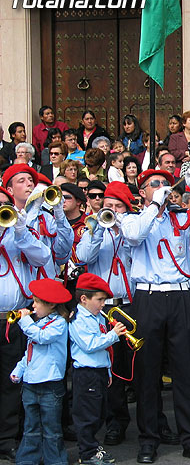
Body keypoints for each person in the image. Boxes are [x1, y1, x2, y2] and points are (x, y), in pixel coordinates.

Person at [120, 167, 190, 464]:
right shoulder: (133, 218)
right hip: (148, 298)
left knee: (185, 370)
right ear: (143, 192)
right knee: (148, 372)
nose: (162, 187)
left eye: (164, 183)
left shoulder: (180, 217)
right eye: (154, 184)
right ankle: (149, 439)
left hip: (179, 295)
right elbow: (135, 235)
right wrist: (154, 205)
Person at [76, 182, 136, 446]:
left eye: (117, 206)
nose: (111, 210)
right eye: (108, 205)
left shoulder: (133, 230)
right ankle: (114, 422)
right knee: (109, 367)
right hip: (102, 307)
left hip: (129, 303)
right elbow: (82, 256)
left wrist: (123, 224)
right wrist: (99, 227)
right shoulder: (93, 229)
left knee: (131, 367)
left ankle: (146, 420)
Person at [0, 186, 52, 463]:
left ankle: (7, 437)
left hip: (12, 318)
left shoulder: (19, 233)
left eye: (4, 205)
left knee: (11, 381)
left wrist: (20, 229)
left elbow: (43, 258)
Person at [10, 278, 71, 465]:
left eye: (36, 301)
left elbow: (42, 338)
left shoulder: (59, 324)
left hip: (49, 385)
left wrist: (25, 320)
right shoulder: (37, 323)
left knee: (51, 429)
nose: (33, 305)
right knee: (30, 427)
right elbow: (30, 352)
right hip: (30, 384)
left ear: (51, 304)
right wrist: (18, 370)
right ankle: (28, 459)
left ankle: (56, 460)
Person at [69, 273, 127, 465]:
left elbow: (103, 351)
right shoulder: (78, 319)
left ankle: (92, 446)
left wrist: (108, 371)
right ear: (84, 299)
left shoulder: (97, 316)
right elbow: (90, 345)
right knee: (87, 415)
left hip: (100, 371)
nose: (103, 304)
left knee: (99, 413)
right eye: (100, 299)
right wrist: (113, 335)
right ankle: (87, 453)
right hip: (86, 373)